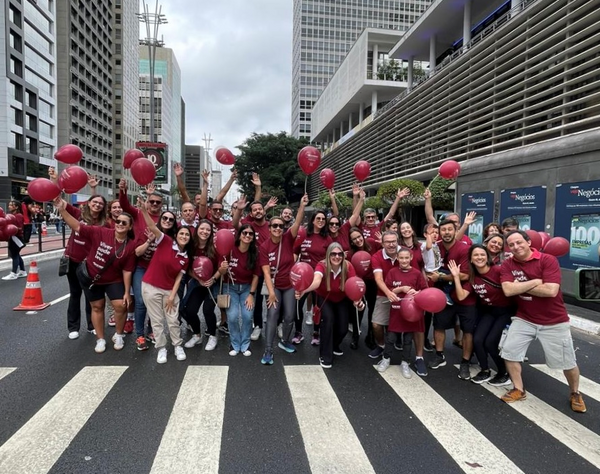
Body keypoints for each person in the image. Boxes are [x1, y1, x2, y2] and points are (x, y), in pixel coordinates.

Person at [499, 230, 586, 413]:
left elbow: (551, 291)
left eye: (519, 242)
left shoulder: (547, 260)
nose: (515, 247)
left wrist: (519, 286)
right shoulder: (508, 264)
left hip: (554, 320)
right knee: (509, 352)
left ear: (528, 242)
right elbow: (507, 290)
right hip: (525, 318)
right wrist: (535, 282)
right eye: (511, 245)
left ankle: (575, 392)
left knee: (567, 362)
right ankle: (518, 389)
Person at [55, 197, 137, 354]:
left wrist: (127, 292)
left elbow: (127, 270)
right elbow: (77, 227)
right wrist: (62, 209)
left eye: (124, 223)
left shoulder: (130, 245)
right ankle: (100, 339)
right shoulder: (102, 232)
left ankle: (119, 335)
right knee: (97, 306)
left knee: (121, 305)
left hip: (114, 279)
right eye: (118, 221)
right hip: (93, 277)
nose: (120, 224)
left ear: (130, 226)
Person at [448, 245, 514, 386]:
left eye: (482, 255)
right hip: (489, 312)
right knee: (477, 340)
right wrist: (456, 277)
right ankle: (485, 370)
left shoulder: (497, 270)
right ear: (471, 259)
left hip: (505, 311)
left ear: (487, 257)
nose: (479, 257)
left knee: (490, 342)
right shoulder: (473, 278)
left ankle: (504, 372)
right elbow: (461, 296)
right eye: (476, 255)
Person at [137, 197, 193, 363]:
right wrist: (144, 211)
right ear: (176, 235)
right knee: (156, 320)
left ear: (190, 239)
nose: (184, 236)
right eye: (181, 233)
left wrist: (171, 296)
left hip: (169, 290)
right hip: (151, 286)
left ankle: (177, 345)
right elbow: (152, 227)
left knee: (173, 320)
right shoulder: (165, 241)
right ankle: (161, 348)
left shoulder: (185, 257)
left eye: (187, 235)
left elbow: (179, 278)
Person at [296, 242, 364, 368]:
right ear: (328, 255)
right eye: (333, 254)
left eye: (340, 254)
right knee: (328, 321)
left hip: (341, 298)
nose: (337, 257)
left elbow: (354, 284)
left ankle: (333, 345)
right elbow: (316, 281)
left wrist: (357, 301)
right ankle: (325, 355)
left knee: (343, 327)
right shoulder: (322, 265)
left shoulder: (348, 266)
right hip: (324, 296)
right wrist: (304, 290)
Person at [259, 194, 308, 365]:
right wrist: (271, 294)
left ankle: (285, 341)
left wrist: (301, 205)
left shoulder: (288, 238)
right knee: (272, 314)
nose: (278, 228)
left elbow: (297, 223)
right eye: (275, 226)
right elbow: (265, 272)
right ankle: (268, 349)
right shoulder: (264, 247)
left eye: (280, 226)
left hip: (289, 285)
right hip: (274, 285)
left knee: (289, 316)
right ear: (269, 228)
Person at [427, 219, 476, 380]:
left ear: (456, 231)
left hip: (464, 295)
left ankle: (465, 362)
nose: (446, 232)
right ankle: (439, 355)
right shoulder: (436, 247)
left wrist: (441, 277)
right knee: (439, 325)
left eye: (450, 229)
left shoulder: (464, 249)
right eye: (443, 230)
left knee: (467, 330)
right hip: (442, 295)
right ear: (439, 232)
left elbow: (465, 275)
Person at [58, 195, 108, 339]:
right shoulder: (78, 214)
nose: (97, 205)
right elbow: (59, 201)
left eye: (100, 203)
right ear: (89, 203)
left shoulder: (103, 222)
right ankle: (73, 327)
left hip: (89, 264)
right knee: (75, 293)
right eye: (94, 202)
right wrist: (54, 179)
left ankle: (92, 325)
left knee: (90, 295)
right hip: (73, 261)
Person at [376, 248, 428, 377]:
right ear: (397, 259)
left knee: (408, 339)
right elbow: (388, 290)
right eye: (401, 258)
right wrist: (401, 288)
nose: (404, 260)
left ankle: (405, 362)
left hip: (410, 313)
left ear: (411, 258)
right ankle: (386, 358)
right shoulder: (392, 272)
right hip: (396, 311)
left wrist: (417, 293)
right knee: (391, 337)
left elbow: (425, 290)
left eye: (406, 258)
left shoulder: (416, 273)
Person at [133, 209, 179, 349]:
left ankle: (152, 331)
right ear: (160, 219)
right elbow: (137, 252)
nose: (167, 221)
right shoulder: (149, 231)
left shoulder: (174, 239)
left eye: (171, 220)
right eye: (164, 218)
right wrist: (149, 240)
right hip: (143, 268)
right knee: (140, 301)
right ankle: (140, 335)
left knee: (157, 304)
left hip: (161, 272)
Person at [181, 219, 225, 351]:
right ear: (197, 230)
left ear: (211, 232)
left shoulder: (215, 247)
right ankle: (197, 335)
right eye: (202, 229)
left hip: (213, 283)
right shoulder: (191, 246)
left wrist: (213, 278)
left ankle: (212, 336)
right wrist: (198, 279)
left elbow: (221, 268)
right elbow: (187, 267)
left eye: (208, 230)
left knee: (208, 310)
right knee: (189, 310)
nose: (204, 232)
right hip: (197, 282)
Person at [295, 209, 333, 345]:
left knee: (318, 306)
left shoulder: (327, 238)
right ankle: (298, 332)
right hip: (304, 277)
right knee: (297, 304)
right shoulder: (304, 235)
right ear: (312, 220)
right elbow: (295, 252)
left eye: (323, 219)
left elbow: (331, 257)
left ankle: (316, 333)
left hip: (320, 277)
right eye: (318, 218)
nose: (321, 221)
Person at [221, 224, 260, 356]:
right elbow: (220, 271)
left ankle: (245, 344)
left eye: (250, 234)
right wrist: (222, 269)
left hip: (246, 288)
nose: (247, 236)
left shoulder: (255, 253)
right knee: (232, 317)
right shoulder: (230, 249)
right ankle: (234, 343)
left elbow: (255, 276)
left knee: (247, 316)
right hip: (230, 287)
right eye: (245, 233)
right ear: (240, 235)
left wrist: (251, 294)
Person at [369, 231, 403, 359]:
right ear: (382, 243)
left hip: (404, 294)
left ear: (397, 241)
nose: (391, 244)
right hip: (384, 293)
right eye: (388, 242)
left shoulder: (405, 253)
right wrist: (389, 293)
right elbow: (378, 279)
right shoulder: (377, 257)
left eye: (393, 241)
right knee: (376, 324)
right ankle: (381, 345)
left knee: (407, 323)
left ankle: (403, 344)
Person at [348, 225, 380, 349]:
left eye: (359, 236)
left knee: (372, 310)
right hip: (359, 282)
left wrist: (382, 241)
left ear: (363, 235)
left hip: (373, 281)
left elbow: (383, 253)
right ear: (351, 241)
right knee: (358, 309)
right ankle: (355, 336)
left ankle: (370, 337)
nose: (358, 240)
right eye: (354, 239)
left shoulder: (372, 243)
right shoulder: (351, 253)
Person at [1, 200, 27, 280]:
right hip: (13, 237)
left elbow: (19, 228)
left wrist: (11, 229)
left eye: (11, 205)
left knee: (14, 254)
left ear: (16, 207)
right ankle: (22, 271)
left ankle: (13, 273)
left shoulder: (18, 216)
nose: (9, 206)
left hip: (16, 237)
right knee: (16, 255)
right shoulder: (13, 215)